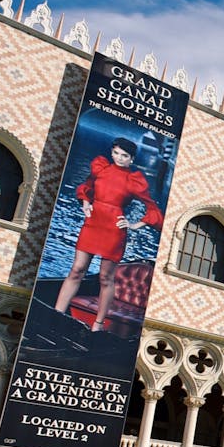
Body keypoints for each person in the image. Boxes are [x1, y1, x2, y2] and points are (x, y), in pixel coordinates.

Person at [53, 136, 165, 333]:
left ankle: (98, 324)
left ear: (131, 159)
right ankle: (56, 315)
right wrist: (86, 204)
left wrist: (134, 224)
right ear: (111, 152)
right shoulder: (101, 168)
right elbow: (87, 187)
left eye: (124, 155)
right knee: (77, 269)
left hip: (114, 229)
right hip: (92, 223)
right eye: (116, 153)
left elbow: (152, 208)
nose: (119, 158)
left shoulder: (134, 181)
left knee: (106, 277)